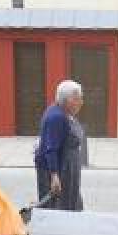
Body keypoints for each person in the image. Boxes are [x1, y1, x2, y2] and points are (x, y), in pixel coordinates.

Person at [34, 80, 85, 211]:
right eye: (77, 99)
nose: (81, 102)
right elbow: (51, 149)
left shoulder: (65, 113)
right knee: (58, 205)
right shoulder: (56, 117)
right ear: (67, 100)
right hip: (60, 171)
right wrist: (54, 176)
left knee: (69, 202)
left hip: (67, 170)